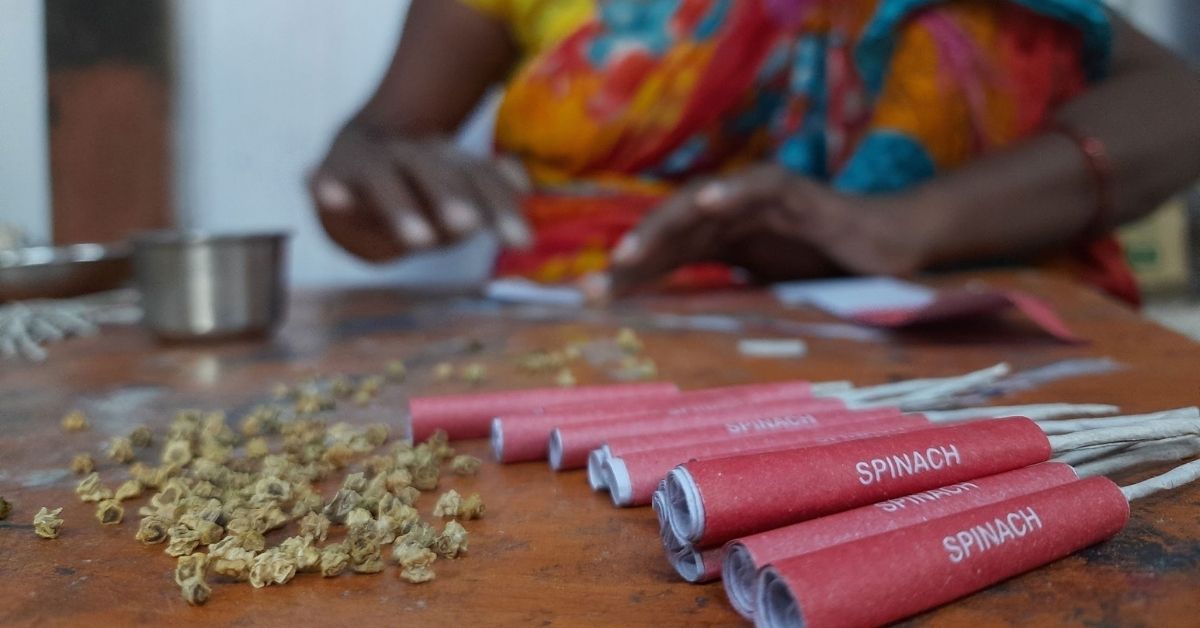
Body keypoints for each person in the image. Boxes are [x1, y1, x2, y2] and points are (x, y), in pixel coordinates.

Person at [309, 0, 1200, 305]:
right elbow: (383, 137)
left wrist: (910, 223)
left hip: (950, 368)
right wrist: (372, 180)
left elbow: (1178, 103)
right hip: (595, 357)